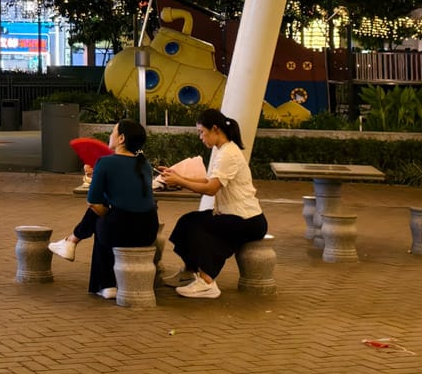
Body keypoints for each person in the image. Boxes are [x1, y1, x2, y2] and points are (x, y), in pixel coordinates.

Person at [155, 107, 266, 299]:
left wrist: (179, 181)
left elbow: (210, 189)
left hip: (248, 220)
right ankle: (189, 273)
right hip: (236, 216)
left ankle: (207, 282)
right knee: (187, 222)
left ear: (215, 129)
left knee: (198, 228)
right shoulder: (223, 150)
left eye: (201, 132)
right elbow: (208, 181)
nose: (200, 137)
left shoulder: (228, 154)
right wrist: (177, 176)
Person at [48, 121, 157, 299]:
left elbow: (92, 201)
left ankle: (106, 284)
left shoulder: (105, 162)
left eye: (113, 131)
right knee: (107, 216)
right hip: (147, 230)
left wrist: (112, 215)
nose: (110, 135)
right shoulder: (143, 164)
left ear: (121, 138)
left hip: (120, 231)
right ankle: (71, 242)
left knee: (101, 220)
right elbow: (123, 194)